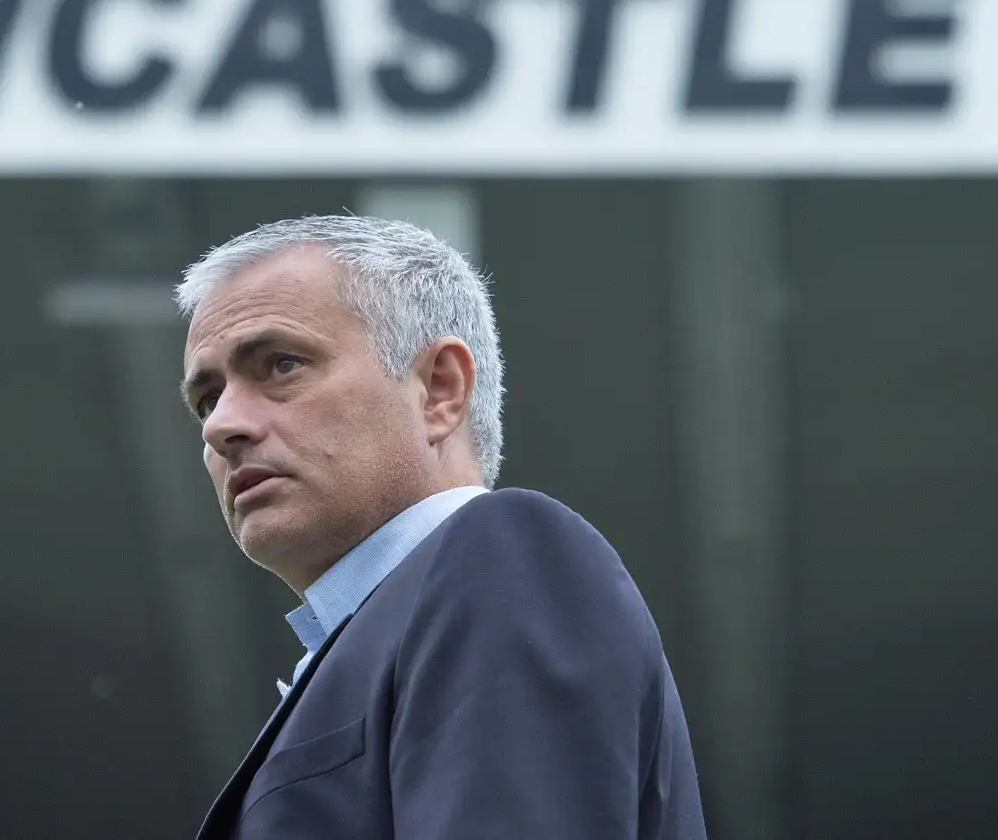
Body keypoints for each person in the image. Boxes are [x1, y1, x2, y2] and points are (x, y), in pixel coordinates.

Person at [175, 215, 708, 839]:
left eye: (282, 365)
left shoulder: (506, 561)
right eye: (207, 399)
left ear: (440, 391)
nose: (220, 426)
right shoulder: (389, 632)